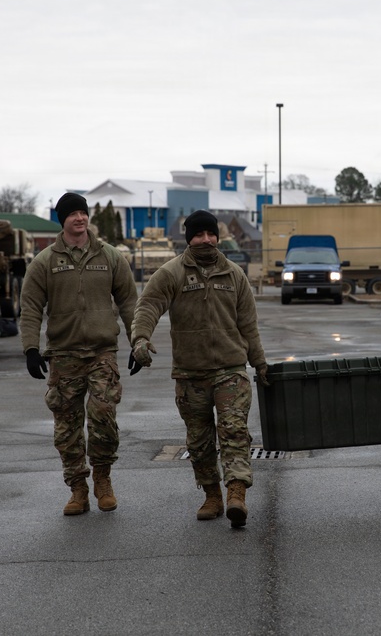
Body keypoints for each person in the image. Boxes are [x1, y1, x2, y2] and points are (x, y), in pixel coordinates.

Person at [130, 210, 269, 528]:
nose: (206, 240)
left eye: (211, 234)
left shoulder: (234, 275)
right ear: (188, 238)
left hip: (230, 369)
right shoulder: (171, 273)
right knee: (199, 440)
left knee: (234, 433)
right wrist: (140, 339)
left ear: (217, 236)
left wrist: (260, 364)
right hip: (190, 373)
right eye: (199, 235)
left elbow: (249, 325)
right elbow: (149, 304)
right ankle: (212, 495)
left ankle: (236, 494)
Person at [20, 192, 138, 516]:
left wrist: (138, 342)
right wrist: (30, 347)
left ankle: (103, 479)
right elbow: (30, 306)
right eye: (72, 214)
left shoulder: (110, 257)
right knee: (67, 428)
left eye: (82, 213)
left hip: (102, 351)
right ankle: (77, 488)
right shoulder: (45, 262)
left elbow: (129, 302)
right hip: (63, 354)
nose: (79, 218)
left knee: (103, 416)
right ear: (63, 220)